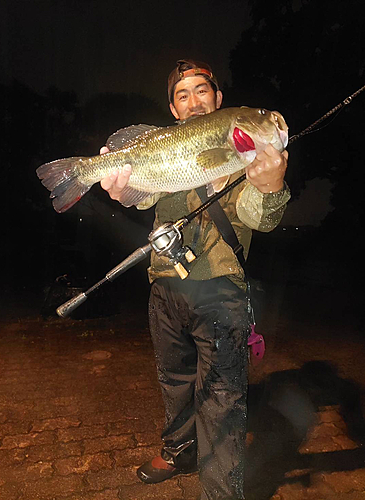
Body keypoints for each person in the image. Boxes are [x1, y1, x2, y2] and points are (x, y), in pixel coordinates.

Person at [100, 59, 290, 500]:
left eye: (202, 91)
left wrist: (271, 185)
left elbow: (256, 217)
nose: (193, 101)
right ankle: (179, 448)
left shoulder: (243, 153)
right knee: (175, 380)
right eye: (182, 95)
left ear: (219, 100)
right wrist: (119, 186)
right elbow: (138, 194)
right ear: (173, 108)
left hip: (220, 291)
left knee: (222, 399)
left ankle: (220, 492)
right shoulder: (163, 147)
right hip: (164, 286)